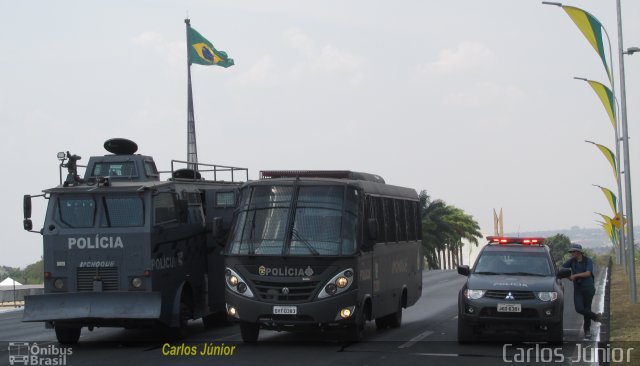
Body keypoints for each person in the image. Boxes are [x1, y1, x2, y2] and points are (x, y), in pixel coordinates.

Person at [562, 243, 603, 339]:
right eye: (571, 252)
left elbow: (588, 273)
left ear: (579, 252)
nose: (572, 254)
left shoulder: (588, 260)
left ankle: (587, 330)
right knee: (579, 308)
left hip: (588, 287)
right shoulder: (572, 261)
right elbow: (562, 268)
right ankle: (596, 317)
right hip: (578, 288)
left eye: (573, 252)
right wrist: (568, 276)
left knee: (587, 308)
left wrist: (575, 276)